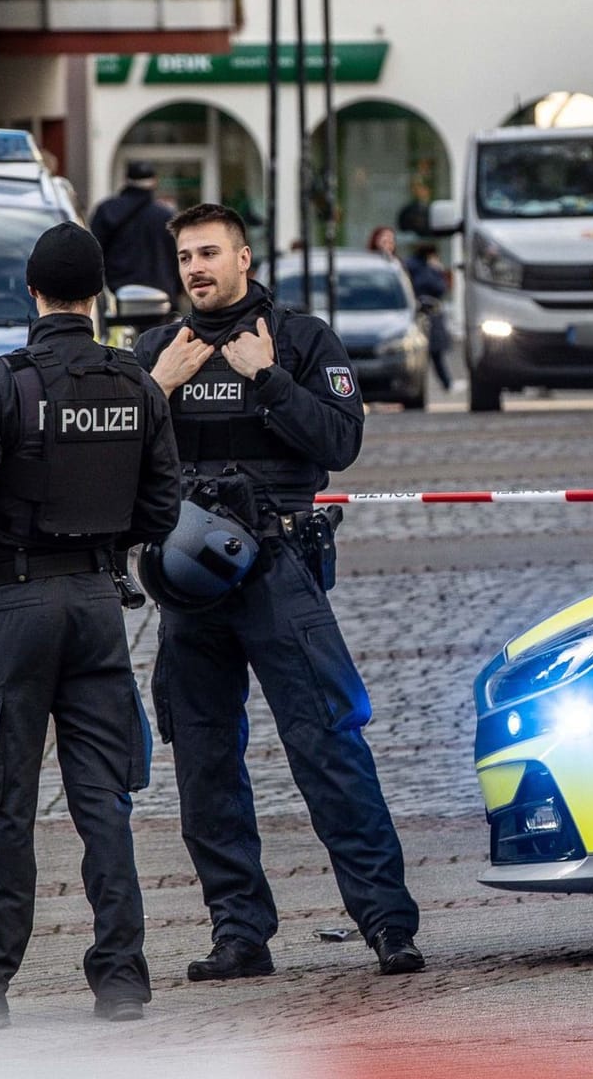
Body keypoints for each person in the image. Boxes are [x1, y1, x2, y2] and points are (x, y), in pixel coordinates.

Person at [131, 203, 425, 979]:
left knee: (328, 744)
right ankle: (239, 934)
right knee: (202, 760)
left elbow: (341, 442)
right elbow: (109, 460)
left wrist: (267, 380)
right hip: (189, 583)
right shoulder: (159, 351)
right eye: (186, 256)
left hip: (278, 566)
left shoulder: (299, 339)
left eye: (209, 253)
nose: (196, 267)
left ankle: (388, 925)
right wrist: (154, 391)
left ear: (245, 258)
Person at [0, 222, 181, 1034]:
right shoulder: (137, 385)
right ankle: (122, 979)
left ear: (32, 292)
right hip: (100, 605)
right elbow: (163, 507)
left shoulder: (1, 385)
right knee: (106, 803)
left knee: (3, 802)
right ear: (96, 296)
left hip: (18, 607)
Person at [90, 160, 178, 301]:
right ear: (154, 182)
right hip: (160, 296)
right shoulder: (165, 216)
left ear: (126, 180)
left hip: (116, 295)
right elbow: (175, 257)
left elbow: (93, 253)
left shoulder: (106, 211)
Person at [404, 243, 454, 391]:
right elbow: (438, 287)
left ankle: (445, 383)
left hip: (425, 315)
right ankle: (445, 383)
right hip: (425, 315)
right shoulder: (424, 269)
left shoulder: (411, 266)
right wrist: (436, 270)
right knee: (432, 354)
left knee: (434, 354)